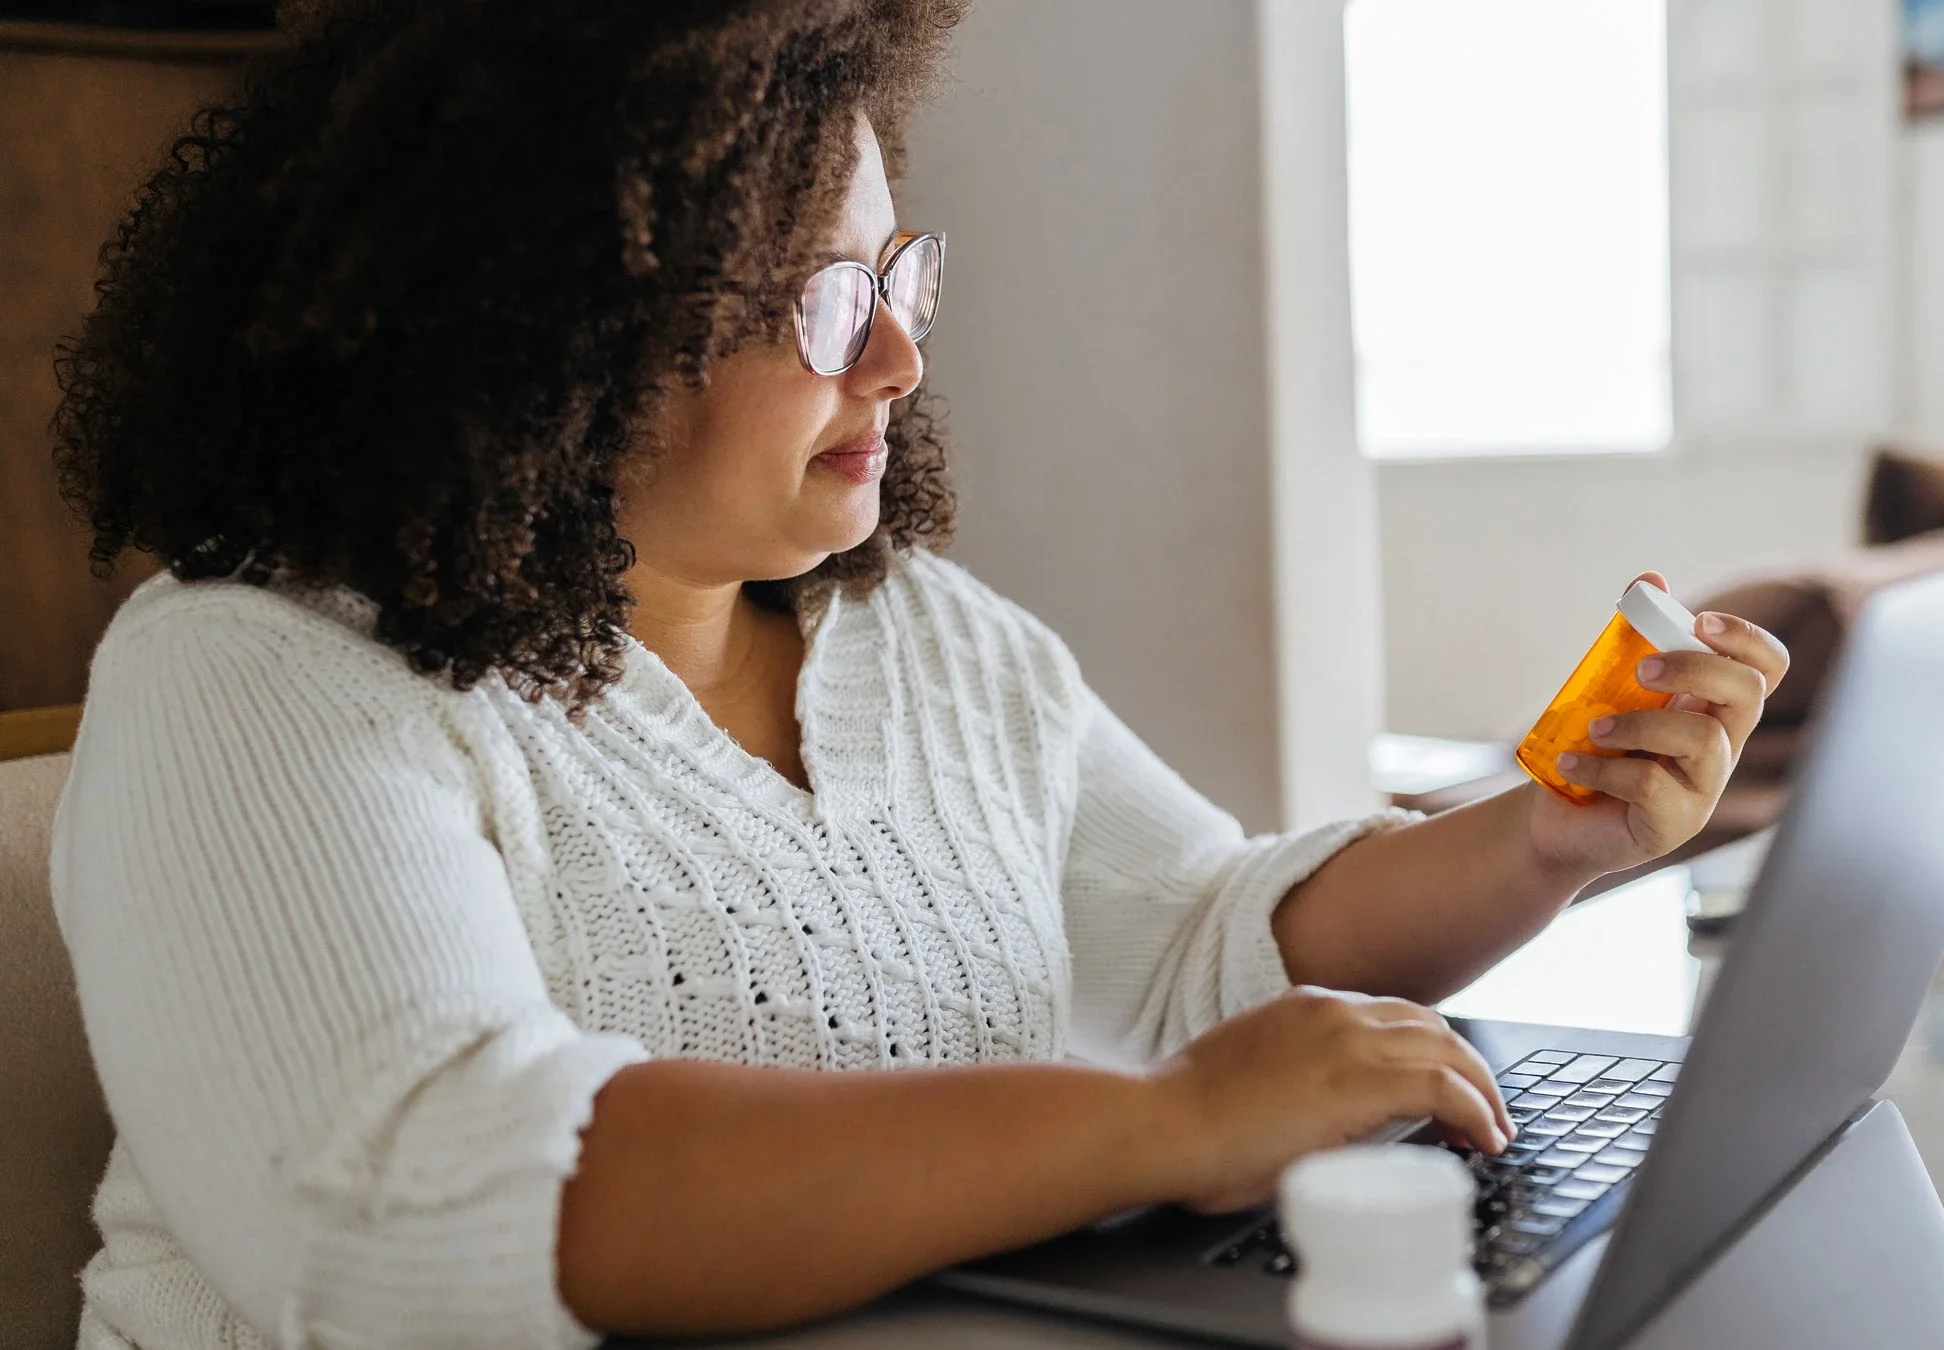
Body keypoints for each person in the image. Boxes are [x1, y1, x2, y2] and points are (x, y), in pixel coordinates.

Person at [45, 2, 1788, 1346]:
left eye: (898, 271)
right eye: (816, 302)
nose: (895, 354)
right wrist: (1162, 1126)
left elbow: (1201, 943)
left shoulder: (926, 642)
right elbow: (426, 1203)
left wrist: (1549, 835)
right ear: (548, 338)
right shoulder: (252, 676)